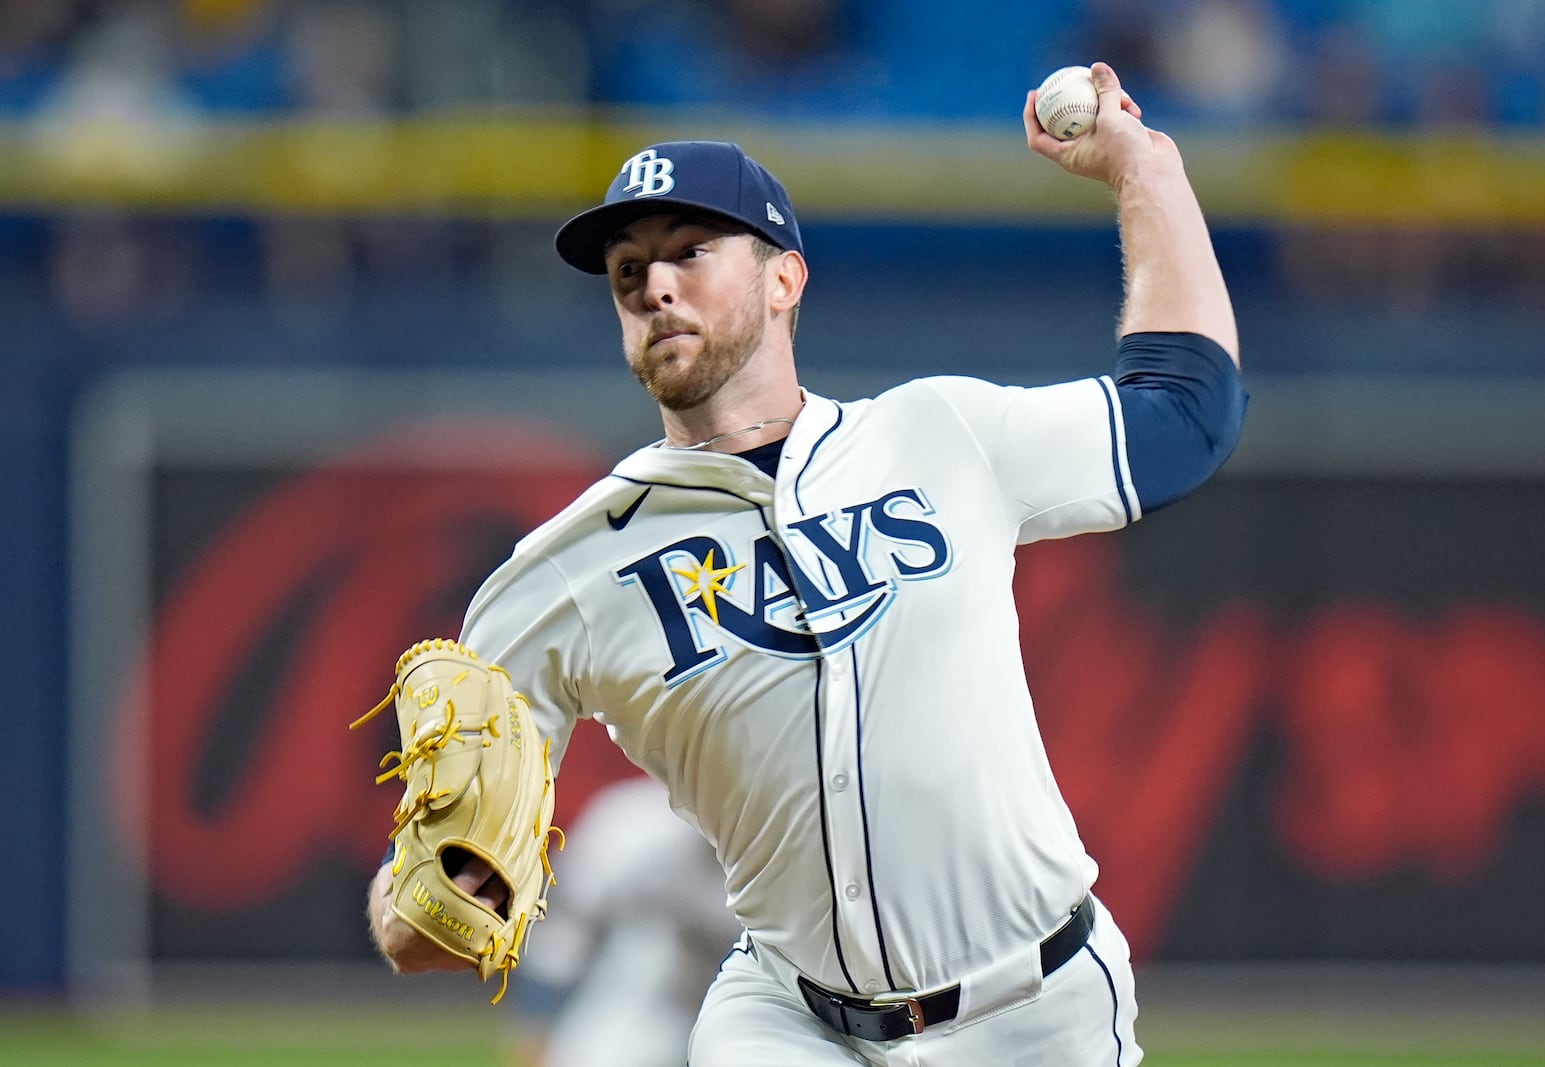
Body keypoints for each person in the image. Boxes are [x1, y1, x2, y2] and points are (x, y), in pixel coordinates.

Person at [366, 61, 1245, 1066]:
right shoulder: (563, 572)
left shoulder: (939, 433)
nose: (655, 283)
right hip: (786, 1020)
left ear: (785, 276)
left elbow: (1187, 412)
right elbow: (426, 894)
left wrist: (1146, 171)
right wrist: (429, 897)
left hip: (1040, 1007)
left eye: (691, 250)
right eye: (629, 272)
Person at [502, 775, 741, 1067]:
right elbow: (560, 938)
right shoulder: (631, 825)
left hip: (729, 1027)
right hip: (618, 1027)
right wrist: (537, 1030)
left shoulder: (782, 841)